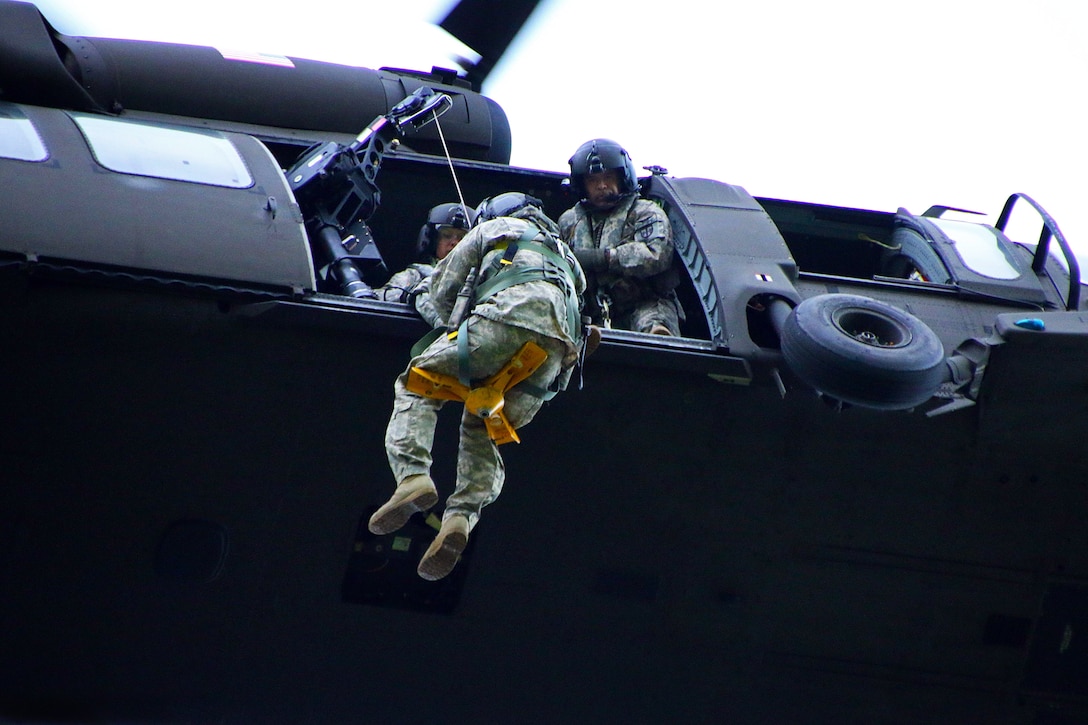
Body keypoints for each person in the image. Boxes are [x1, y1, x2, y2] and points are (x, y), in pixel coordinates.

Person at [370, 192, 586, 581]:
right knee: (485, 418)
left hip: (503, 323)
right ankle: (461, 518)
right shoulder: (568, 257)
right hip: (549, 361)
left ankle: (412, 476)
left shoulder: (494, 229)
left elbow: (443, 292)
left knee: (418, 383)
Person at [559, 138, 682, 336]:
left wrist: (605, 258)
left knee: (654, 323)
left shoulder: (645, 212)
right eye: (593, 180)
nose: (601, 186)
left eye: (608, 177)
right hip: (590, 313)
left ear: (622, 177)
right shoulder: (569, 222)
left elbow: (656, 255)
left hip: (643, 304)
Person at [374, 202, 475, 326]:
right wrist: (410, 294)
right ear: (432, 240)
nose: (454, 242)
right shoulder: (415, 275)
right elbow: (378, 300)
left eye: (462, 237)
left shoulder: (478, 279)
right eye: (447, 235)